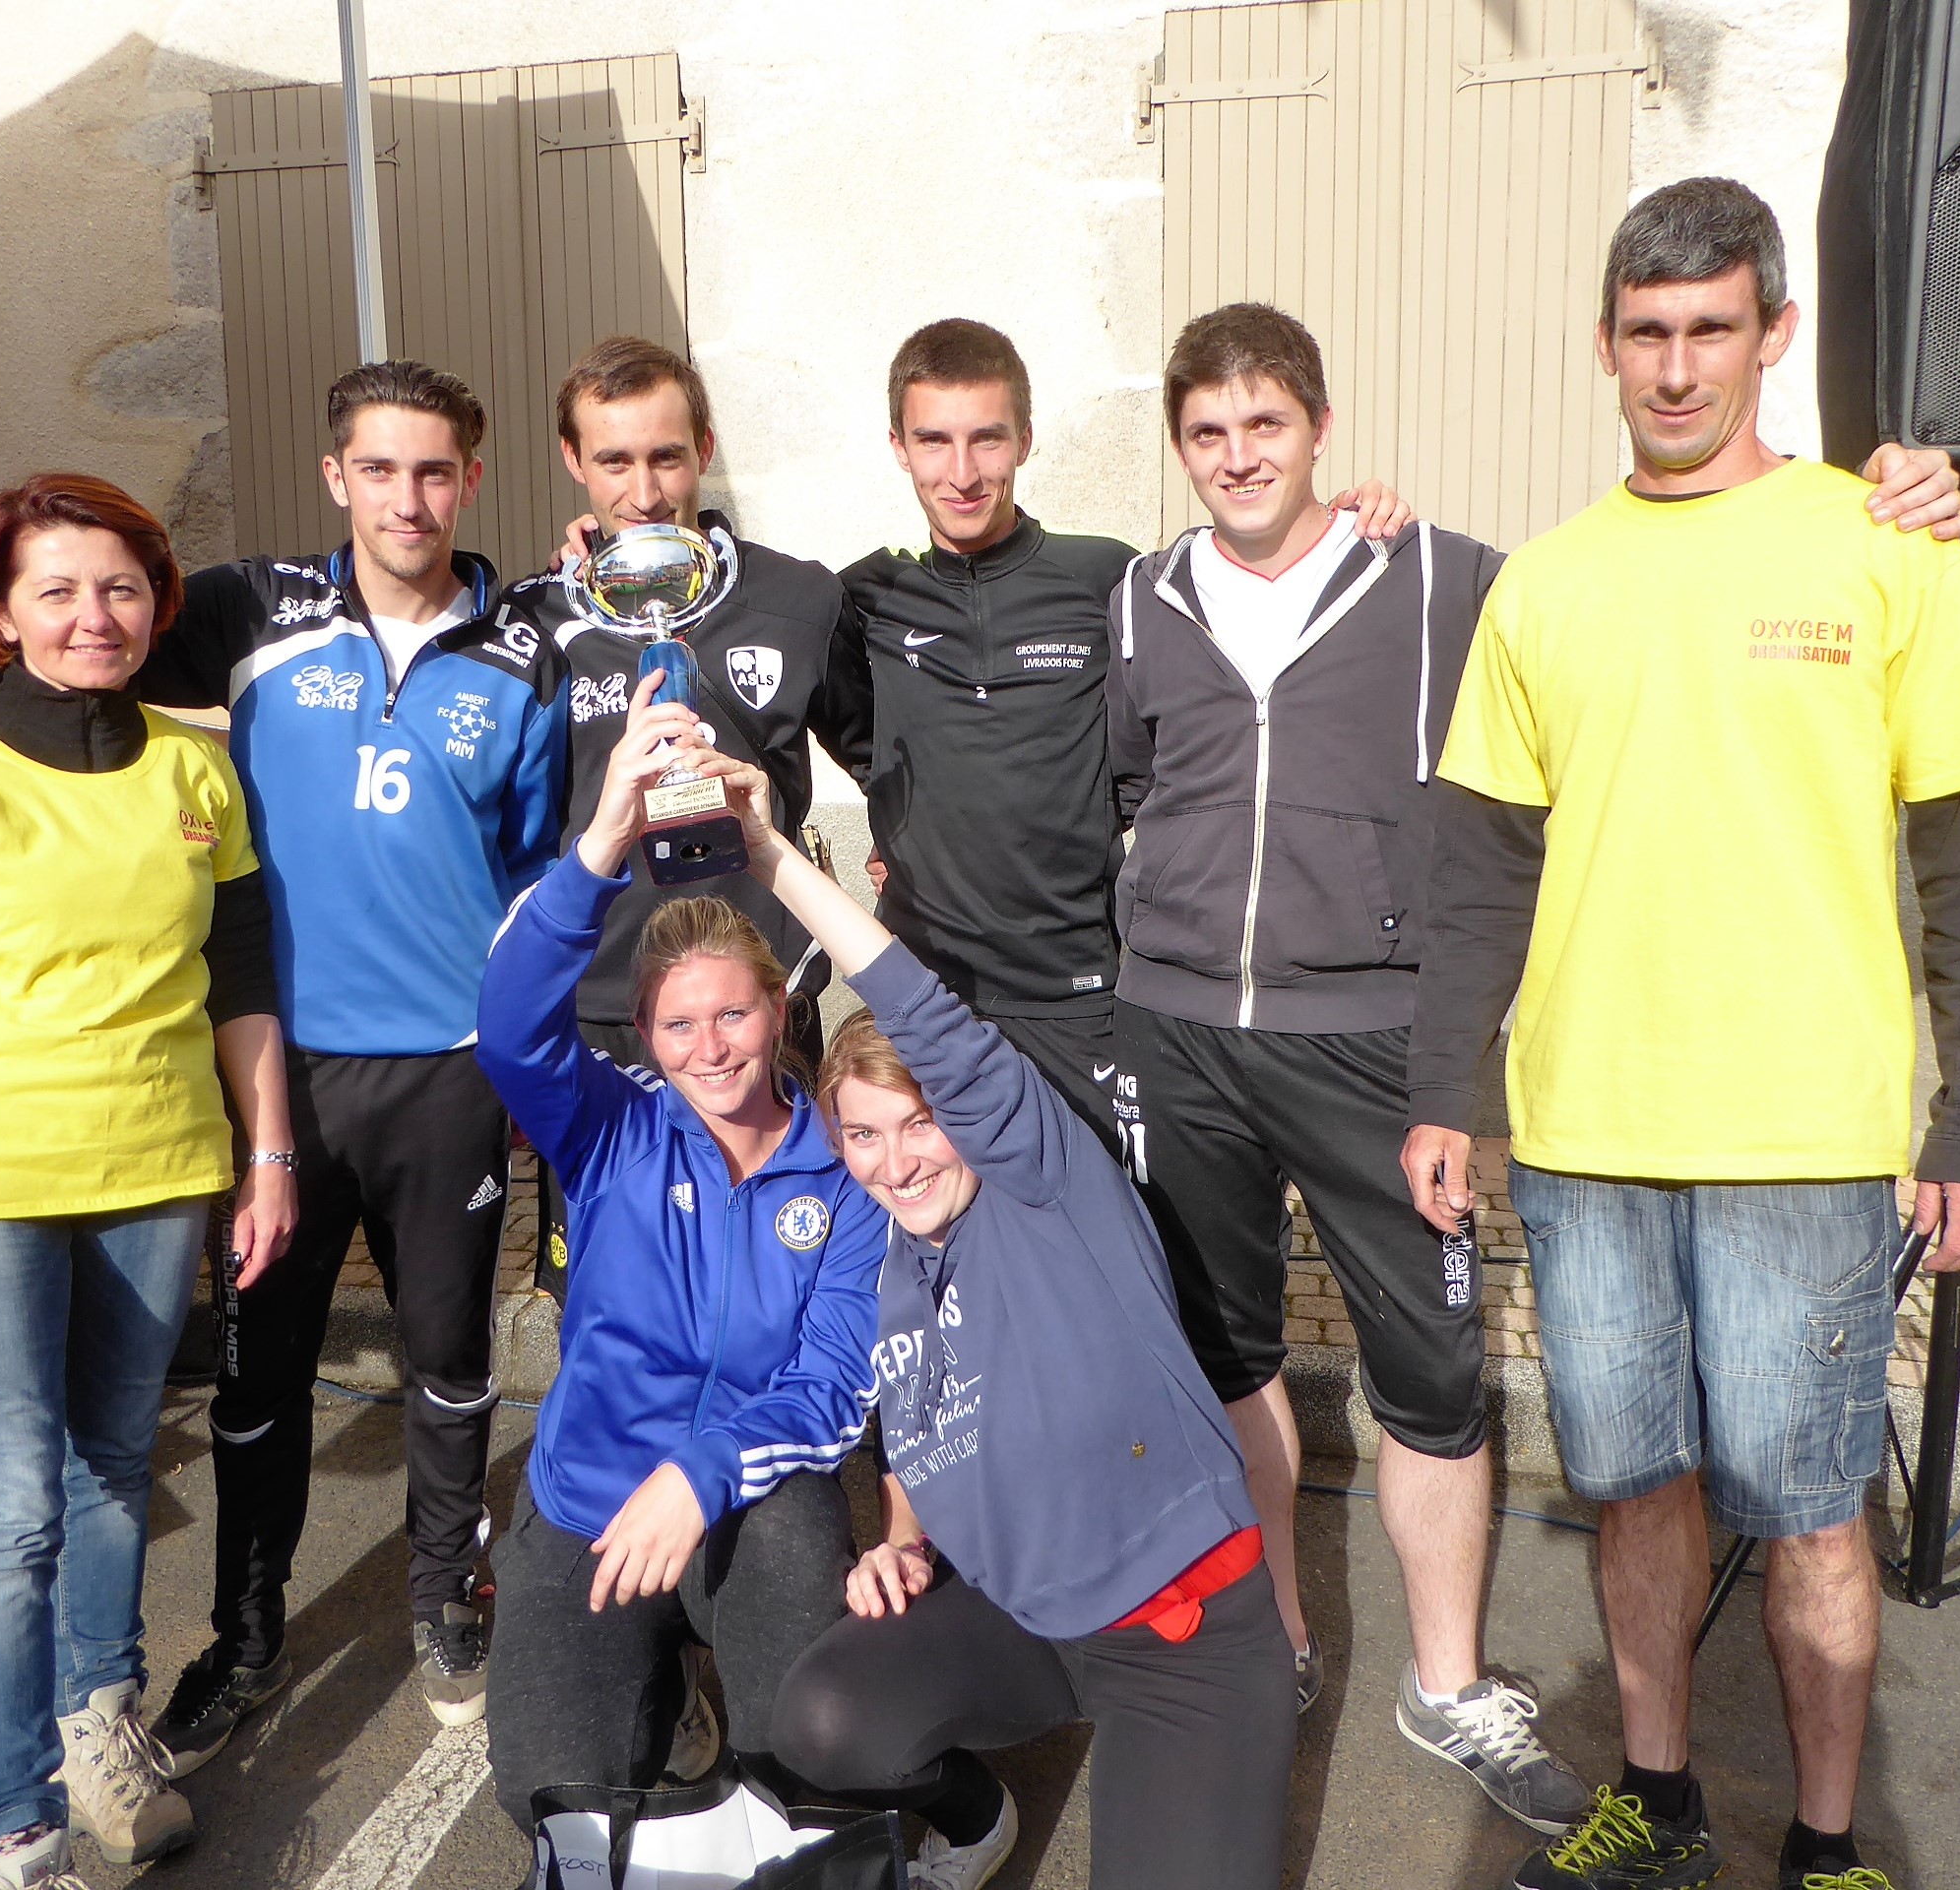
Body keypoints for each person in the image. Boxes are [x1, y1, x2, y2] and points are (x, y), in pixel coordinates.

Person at [1107, 298, 1960, 1826]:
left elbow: (1614, 674)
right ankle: (1280, 1644)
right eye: (1208, 431)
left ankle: (1446, 1683)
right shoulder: (1138, 597)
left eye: (1267, 424)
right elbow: (1130, 781)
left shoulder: (1449, 577)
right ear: (1178, 447)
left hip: (1373, 1040)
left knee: (1433, 1378)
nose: (1239, 455)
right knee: (1227, 1357)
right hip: (1182, 1035)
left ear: (1321, 430)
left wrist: (1911, 489)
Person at [0, 360, 567, 1761]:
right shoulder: (254, 608)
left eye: (434, 470)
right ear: (334, 476)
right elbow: (50, 636)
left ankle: (447, 1598)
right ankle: (248, 1640)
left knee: (452, 1365)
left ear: (473, 478)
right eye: (378, 469)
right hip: (281, 1073)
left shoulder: (523, 652)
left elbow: (530, 860)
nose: (407, 498)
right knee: (259, 1386)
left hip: (446, 1070)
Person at [1402, 178, 1960, 1890]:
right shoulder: (1544, 586)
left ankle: (1826, 1846)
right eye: (1646, 333)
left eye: (1710, 329)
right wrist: (1447, 1090)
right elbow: (1482, 873)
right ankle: (1661, 1801)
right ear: (1604, 346)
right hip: (1589, 1136)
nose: (1677, 368)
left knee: (1814, 1511)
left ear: (1773, 335)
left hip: (1804, 1142)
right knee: (1633, 1492)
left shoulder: (1888, 547)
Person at [0, 474, 298, 1890]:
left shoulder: (195, 773)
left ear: (158, 605)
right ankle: (9, 1829)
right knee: (5, 1516)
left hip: (157, 1170)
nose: (96, 616)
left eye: (123, 588)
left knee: (112, 1471)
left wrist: (265, 1154)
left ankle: (100, 1722)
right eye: (59, 590)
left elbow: (241, 980)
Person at [697, 752, 1293, 1890]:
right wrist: (902, 1542)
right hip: (1031, 1624)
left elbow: (923, 1012)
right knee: (825, 1715)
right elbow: (922, 1425)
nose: (894, 1161)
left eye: (918, 1123)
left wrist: (770, 857)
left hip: (1179, 1634)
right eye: (862, 1136)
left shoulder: (1042, 1191)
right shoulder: (894, 1268)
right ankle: (974, 1817)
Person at [473, 674, 884, 1838]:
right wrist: (603, 838)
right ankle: (665, 1694)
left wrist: (700, 1472)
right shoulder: (613, 1128)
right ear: (646, 1037)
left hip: (757, 1498)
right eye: (678, 1025)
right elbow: (509, 1028)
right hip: (593, 1498)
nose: (711, 1049)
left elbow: (831, 1386)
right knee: (553, 1804)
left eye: (734, 1015)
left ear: (779, 1011)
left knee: (811, 1766)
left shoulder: (846, 1171)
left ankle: (809, 1741)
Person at [839, 318, 1410, 1153]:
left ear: (1025, 438)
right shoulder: (863, 600)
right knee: (932, 1209)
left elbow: (1172, 734)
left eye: (987, 438)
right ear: (898, 446)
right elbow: (851, 734)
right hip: (927, 988)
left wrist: (1352, 515)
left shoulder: (1112, 578)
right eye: (934, 441)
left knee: (1124, 1224)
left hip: (1086, 994)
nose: (961, 473)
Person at [506, 337, 872, 1319]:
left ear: (704, 446)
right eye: (614, 460)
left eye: (666, 456)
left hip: (760, 1006)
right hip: (604, 1010)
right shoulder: (540, 616)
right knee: (611, 1292)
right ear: (573, 461)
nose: (644, 490)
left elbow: (890, 761)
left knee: (774, 1282)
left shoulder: (800, 597)